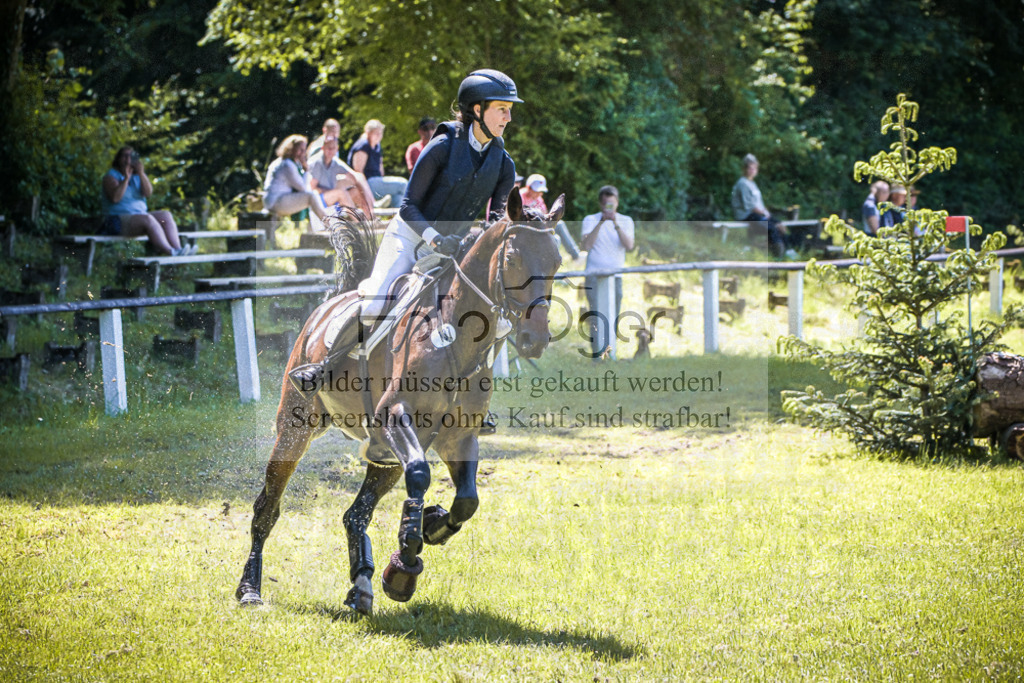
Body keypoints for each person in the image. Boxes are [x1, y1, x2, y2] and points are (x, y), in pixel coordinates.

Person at [289, 69, 523, 393]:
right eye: (502, 109)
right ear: (477, 109)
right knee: (375, 304)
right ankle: (324, 367)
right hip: (410, 238)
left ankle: (471, 394)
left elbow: (496, 221)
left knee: (497, 321)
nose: (509, 117)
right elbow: (408, 205)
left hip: (454, 249)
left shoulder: (503, 163)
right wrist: (435, 239)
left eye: (509, 110)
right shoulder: (442, 146)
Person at [101, 146, 192, 256]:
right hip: (117, 220)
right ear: (118, 159)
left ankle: (179, 249)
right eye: (124, 156)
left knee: (165, 215)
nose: (128, 159)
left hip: (138, 217)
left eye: (131, 156)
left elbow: (148, 193)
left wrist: (141, 173)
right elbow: (115, 198)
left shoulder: (137, 176)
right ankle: (171, 252)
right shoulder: (110, 177)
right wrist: (126, 179)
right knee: (148, 219)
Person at [580, 185, 635, 360]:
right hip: (593, 275)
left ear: (617, 202)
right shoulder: (590, 219)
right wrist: (601, 222)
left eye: (611, 204)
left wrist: (615, 224)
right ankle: (597, 356)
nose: (608, 207)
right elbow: (586, 246)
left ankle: (610, 354)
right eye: (605, 204)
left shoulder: (626, 220)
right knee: (596, 315)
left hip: (616, 276)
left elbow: (629, 245)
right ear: (600, 204)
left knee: (614, 315)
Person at [730, 153, 795, 258]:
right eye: (750, 168)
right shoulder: (742, 183)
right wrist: (764, 214)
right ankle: (778, 254)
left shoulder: (752, 183)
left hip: (757, 214)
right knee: (772, 227)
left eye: (754, 168)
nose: (752, 171)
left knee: (780, 224)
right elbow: (750, 207)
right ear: (745, 169)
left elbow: (759, 204)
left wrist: (766, 213)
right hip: (746, 215)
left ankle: (788, 250)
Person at [307, 136, 375, 220]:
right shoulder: (318, 164)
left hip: (332, 197)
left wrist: (365, 199)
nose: (331, 150)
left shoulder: (335, 163)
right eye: (328, 148)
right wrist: (332, 191)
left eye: (333, 148)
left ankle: (370, 216)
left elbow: (355, 177)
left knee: (356, 191)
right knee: (341, 193)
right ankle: (359, 222)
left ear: (337, 149)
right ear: (323, 148)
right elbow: (312, 188)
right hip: (318, 199)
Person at [262, 135, 326, 222]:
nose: (303, 153)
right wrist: (306, 170)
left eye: (304, 150)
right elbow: (303, 188)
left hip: (273, 200)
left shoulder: (284, 161)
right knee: (311, 196)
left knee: (312, 196)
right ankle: (329, 223)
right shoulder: (287, 164)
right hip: (275, 201)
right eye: (300, 150)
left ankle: (319, 225)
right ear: (291, 148)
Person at [347, 119, 409, 206]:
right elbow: (358, 171)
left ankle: (397, 214)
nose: (379, 136)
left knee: (397, 197)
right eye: (376, 133)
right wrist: (367, 193)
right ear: (368, 132)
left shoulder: (377, 146)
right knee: (403, 184)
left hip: (377, 181)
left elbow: (381, 169)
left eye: (380, 133)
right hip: (366, 184)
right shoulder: (362, 145)